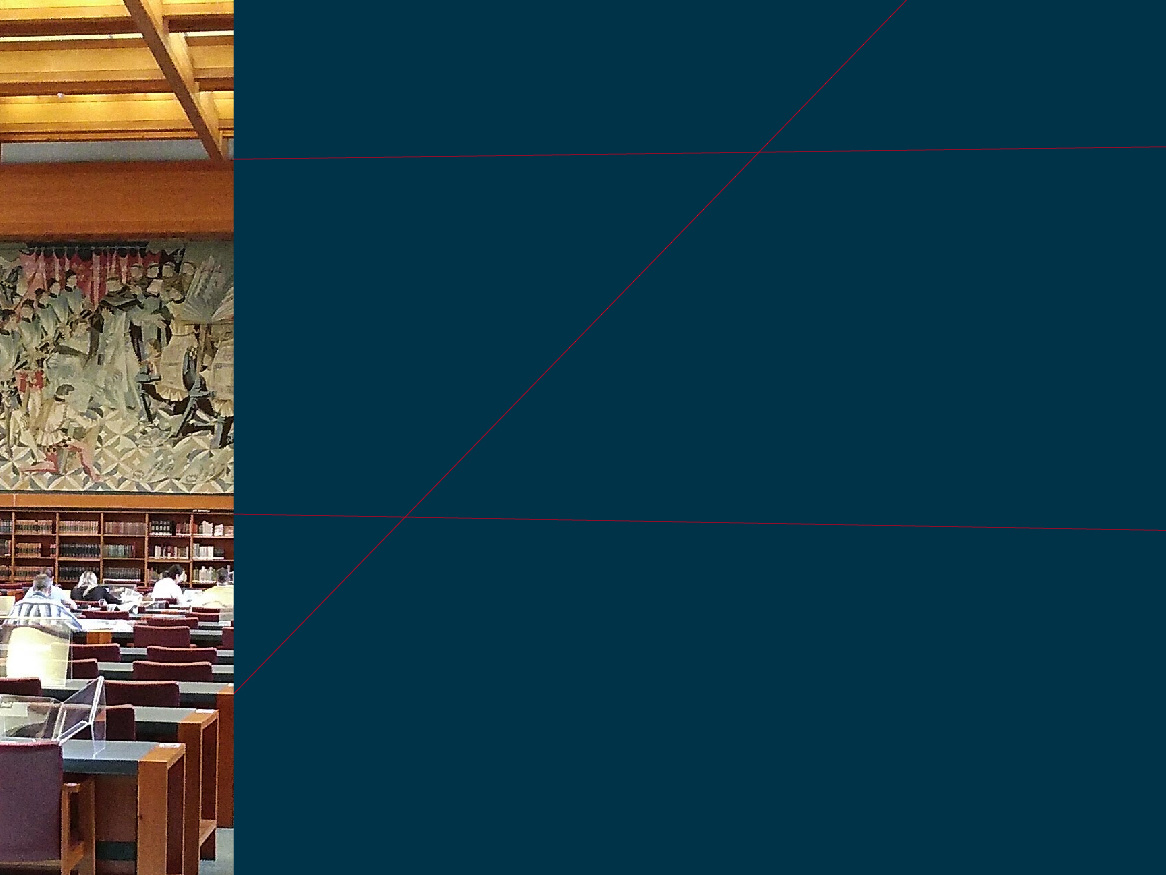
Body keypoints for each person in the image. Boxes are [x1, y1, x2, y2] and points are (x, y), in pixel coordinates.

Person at [5, 572, 83, 632]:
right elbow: (77, 628)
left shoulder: (18, 606)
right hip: (49, 647)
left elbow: (6, 627)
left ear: (33, 588)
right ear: (49, 589)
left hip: (19, 647)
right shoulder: (56, 606)